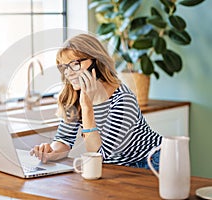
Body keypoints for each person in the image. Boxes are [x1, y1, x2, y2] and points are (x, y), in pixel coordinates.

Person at [30, 33, 162, 170]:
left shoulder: (123, 100)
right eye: (63, 67)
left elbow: (101, 158)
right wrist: (51, 152)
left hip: (152, 161)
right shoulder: (73, 96)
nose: (68, 73)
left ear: (96, 61)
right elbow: (64, 139)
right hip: (119, 167)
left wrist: (87, 107)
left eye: (75, 64)